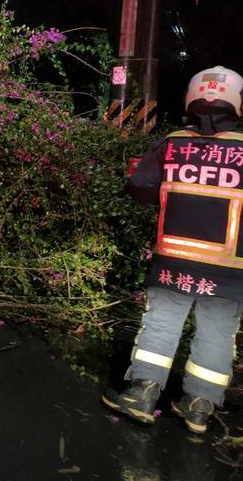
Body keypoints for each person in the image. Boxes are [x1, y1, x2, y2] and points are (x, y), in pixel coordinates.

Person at [103, 66, 243, 434]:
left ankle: (142, 395)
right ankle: (198, 406)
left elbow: (138, 187)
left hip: (174, 262)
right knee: (216, 333)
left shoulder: (173, 143)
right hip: (229, 272)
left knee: (161, 325)